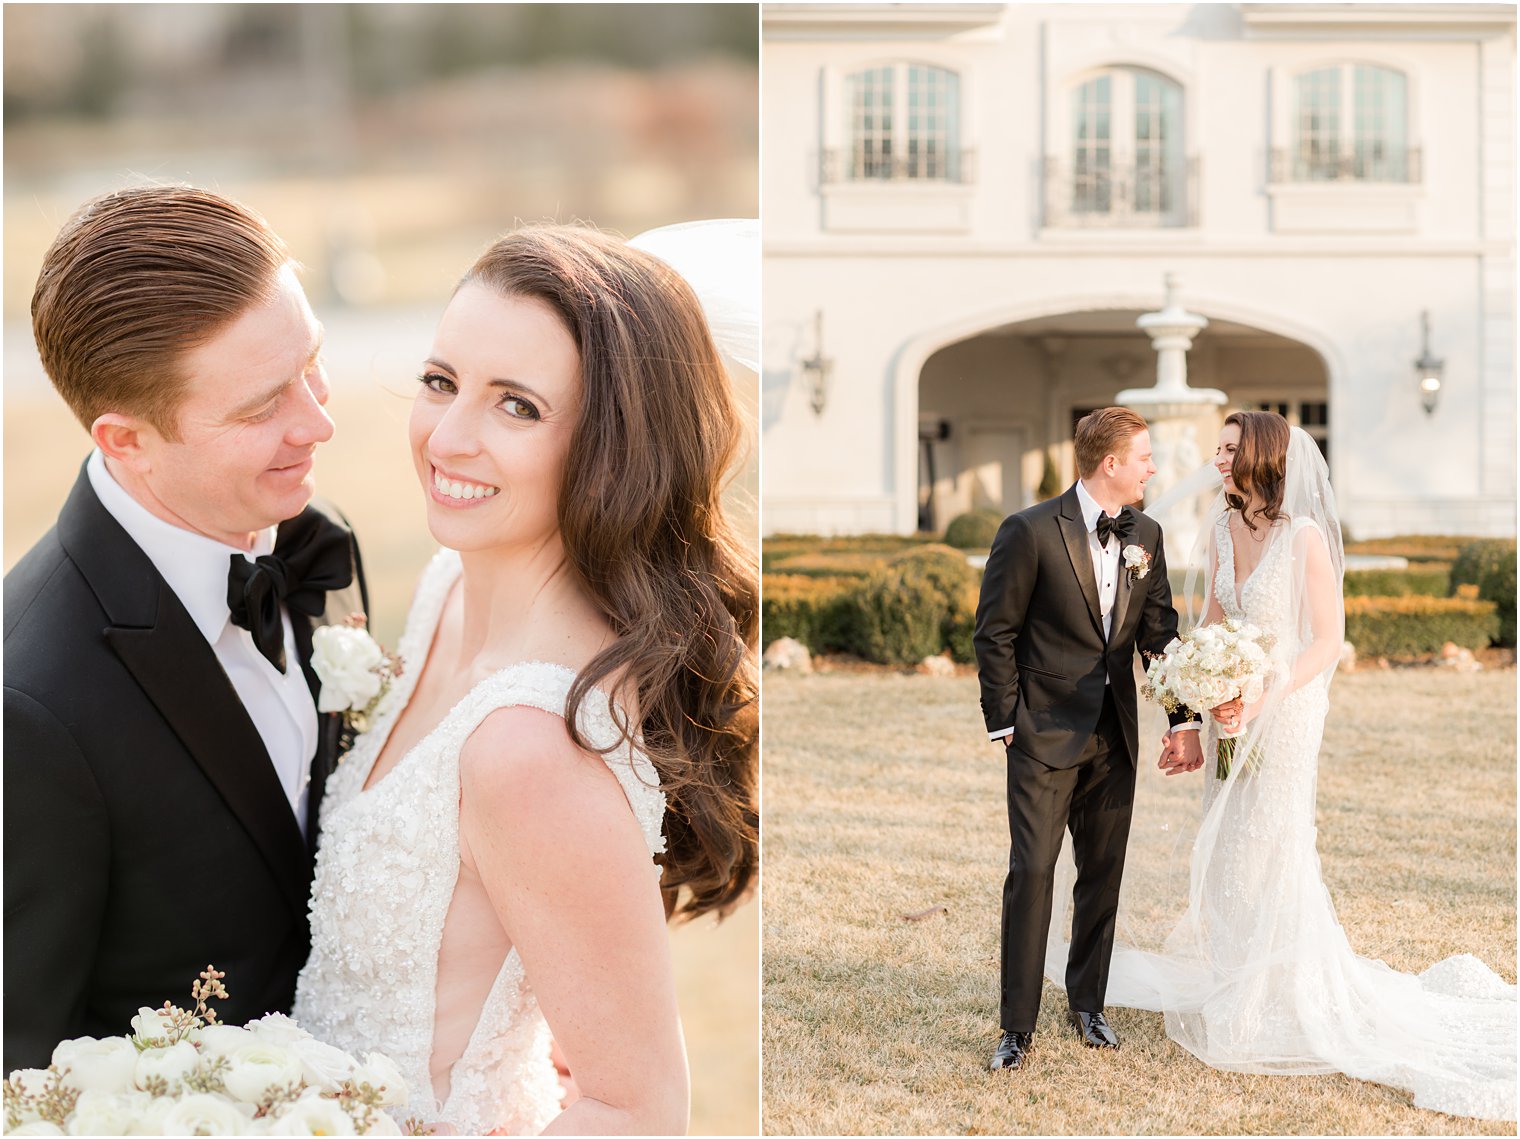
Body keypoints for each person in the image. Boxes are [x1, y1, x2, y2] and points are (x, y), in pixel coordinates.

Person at [292, 223, 760, 1134]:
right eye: (441, 382)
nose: (449, 437)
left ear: (610, 448)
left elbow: (641, 1107)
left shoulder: (530, 746)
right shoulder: (446, 596)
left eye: (518, 406)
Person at [3, 185, 366, 1072]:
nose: (319, 421)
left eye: (310, 363)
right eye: (260, 407)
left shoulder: (317, 544)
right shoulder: (29, 707)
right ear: (125, 439)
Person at [1081, 411, 1515, 1122]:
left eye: (1226, 448)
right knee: (1227, 837)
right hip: (1232, 705)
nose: (1215, 458)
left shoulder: (1304, 537)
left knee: (1273, 836)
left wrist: (1265, 691)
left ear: (1257, 455)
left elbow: (1328, 641)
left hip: (1287, 707)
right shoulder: (1222, 532)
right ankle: (1236, 981)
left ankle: (1278, 993)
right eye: (1216, 449)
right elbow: (1216, 621)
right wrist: (1204, 689)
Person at [972, 407, 1202, 1073]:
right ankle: (1017, 1027)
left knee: (1101, 878)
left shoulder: (1148, 535)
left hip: (1113, 738)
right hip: (1041, 735)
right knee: (1033, 873)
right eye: (1144, 457)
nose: (1152, 468)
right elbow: (996, 631)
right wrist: (1005, 719)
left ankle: (1088, 1003)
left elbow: (1160, 635)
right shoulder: (1028, 531)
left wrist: (1181, 716)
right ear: (1111, 463)